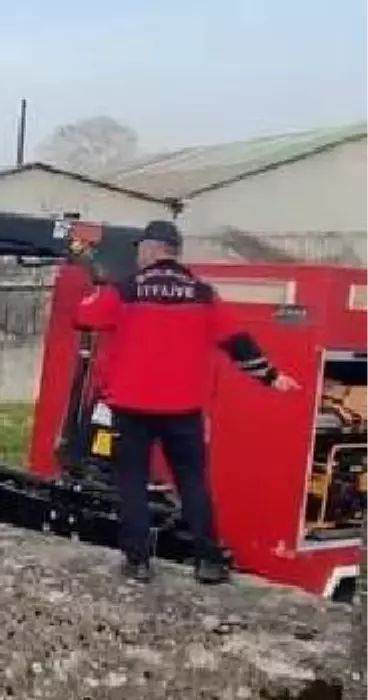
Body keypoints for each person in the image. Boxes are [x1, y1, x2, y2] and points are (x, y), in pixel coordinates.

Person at [76, 219, 297, 585]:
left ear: (149, 250)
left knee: (132, 481)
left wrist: (101, 285)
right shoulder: (202, 293)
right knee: (192, 482)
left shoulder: (127, 289)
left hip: (131, 407)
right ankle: (208, 561)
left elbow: (82, 317)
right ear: (176, 253)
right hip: (183, 409)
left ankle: (138, 562)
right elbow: (237, 341)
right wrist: (272, 377)